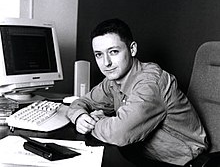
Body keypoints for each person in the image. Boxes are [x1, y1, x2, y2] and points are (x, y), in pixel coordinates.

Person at [67, 18, 208, 166]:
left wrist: (94, 123)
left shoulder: (151, 82)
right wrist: (80, 117)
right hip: (140, 156)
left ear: (132, 49)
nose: (106, 63)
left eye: (113, 52)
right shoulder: (112, 80)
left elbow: (118, 133)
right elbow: (80, 102)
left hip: (182, 161)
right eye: (99, 55)